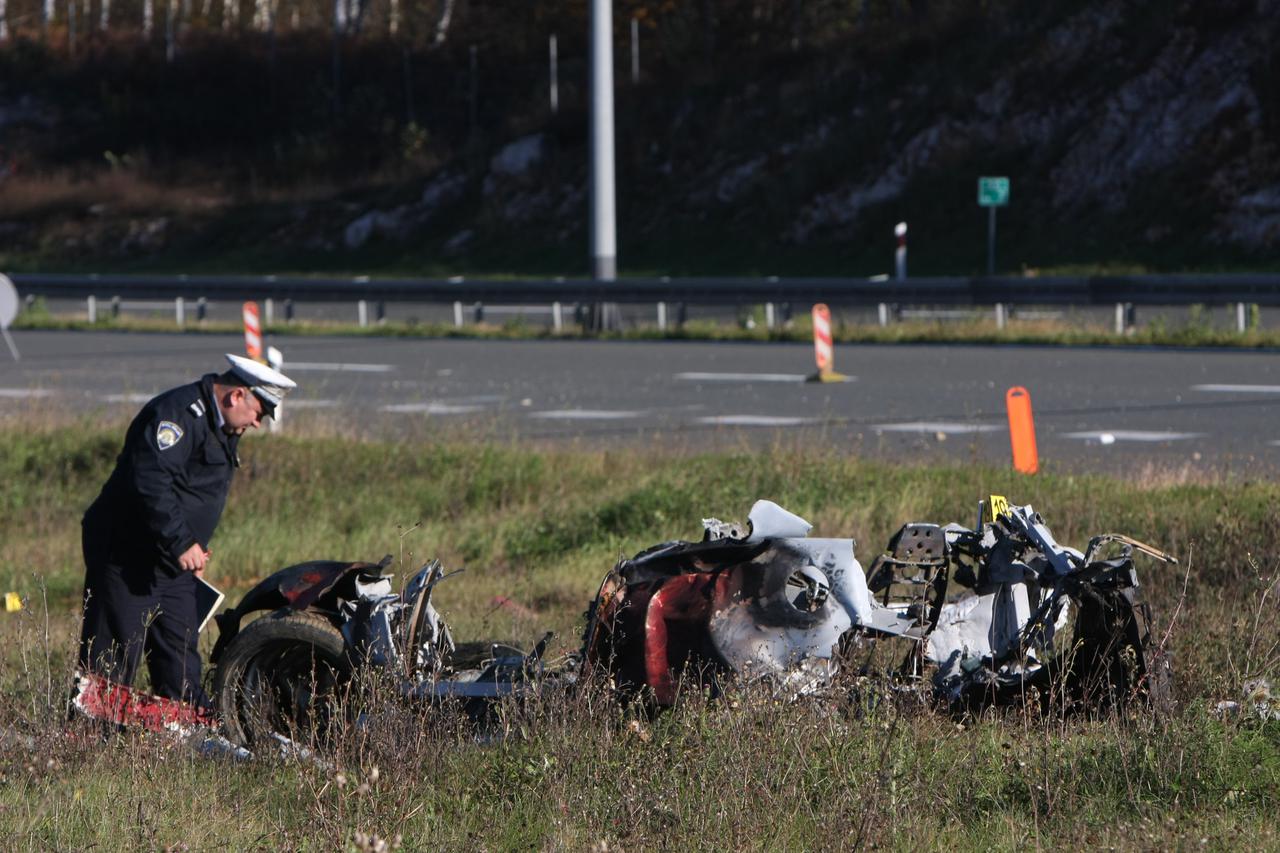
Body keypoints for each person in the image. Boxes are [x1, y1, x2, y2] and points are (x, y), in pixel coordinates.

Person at [77, 354, 296, 712]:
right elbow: (150, 481)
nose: (258, 423)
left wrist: (192, 546)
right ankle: (87, 742)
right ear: (236, 395)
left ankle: (182, 739)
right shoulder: (178, 414)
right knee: (114, 656)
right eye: (259, 411)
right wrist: (181, 540)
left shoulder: (223, 424)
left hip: (172, 564)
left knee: (180, 659)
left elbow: (192, 490)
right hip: (127, 554)